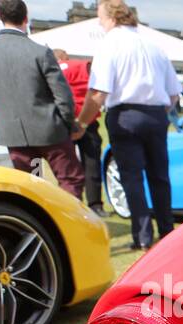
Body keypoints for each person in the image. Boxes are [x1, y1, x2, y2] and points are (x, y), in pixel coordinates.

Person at [75, 0, 181, 250]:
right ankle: (166, 231)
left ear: (111, 18)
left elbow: (99, 92)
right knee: (160, 176)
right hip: (156, 114)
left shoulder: (109, 44)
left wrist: (81, 122)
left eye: (100, 18)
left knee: (132, 177)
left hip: (125, 115)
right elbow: (174, 93)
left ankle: (143, 236)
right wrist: (158, 111)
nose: (100, 24)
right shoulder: (155, 45)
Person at [0, 0, 86, 200]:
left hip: (13, 133)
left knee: (31, 185)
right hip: (49, 130)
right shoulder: (40, 51)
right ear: (26, 18)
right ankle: (69, 226)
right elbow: (63, 95)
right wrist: (70, 123)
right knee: (70, 180)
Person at [54, 49, 104, 215]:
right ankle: (96, 204)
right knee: (92, 163)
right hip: (87, 119)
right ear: (65, 57)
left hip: (63, 120)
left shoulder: (52, 69)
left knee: (67, 167)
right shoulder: (82, 65)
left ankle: (73, 203)